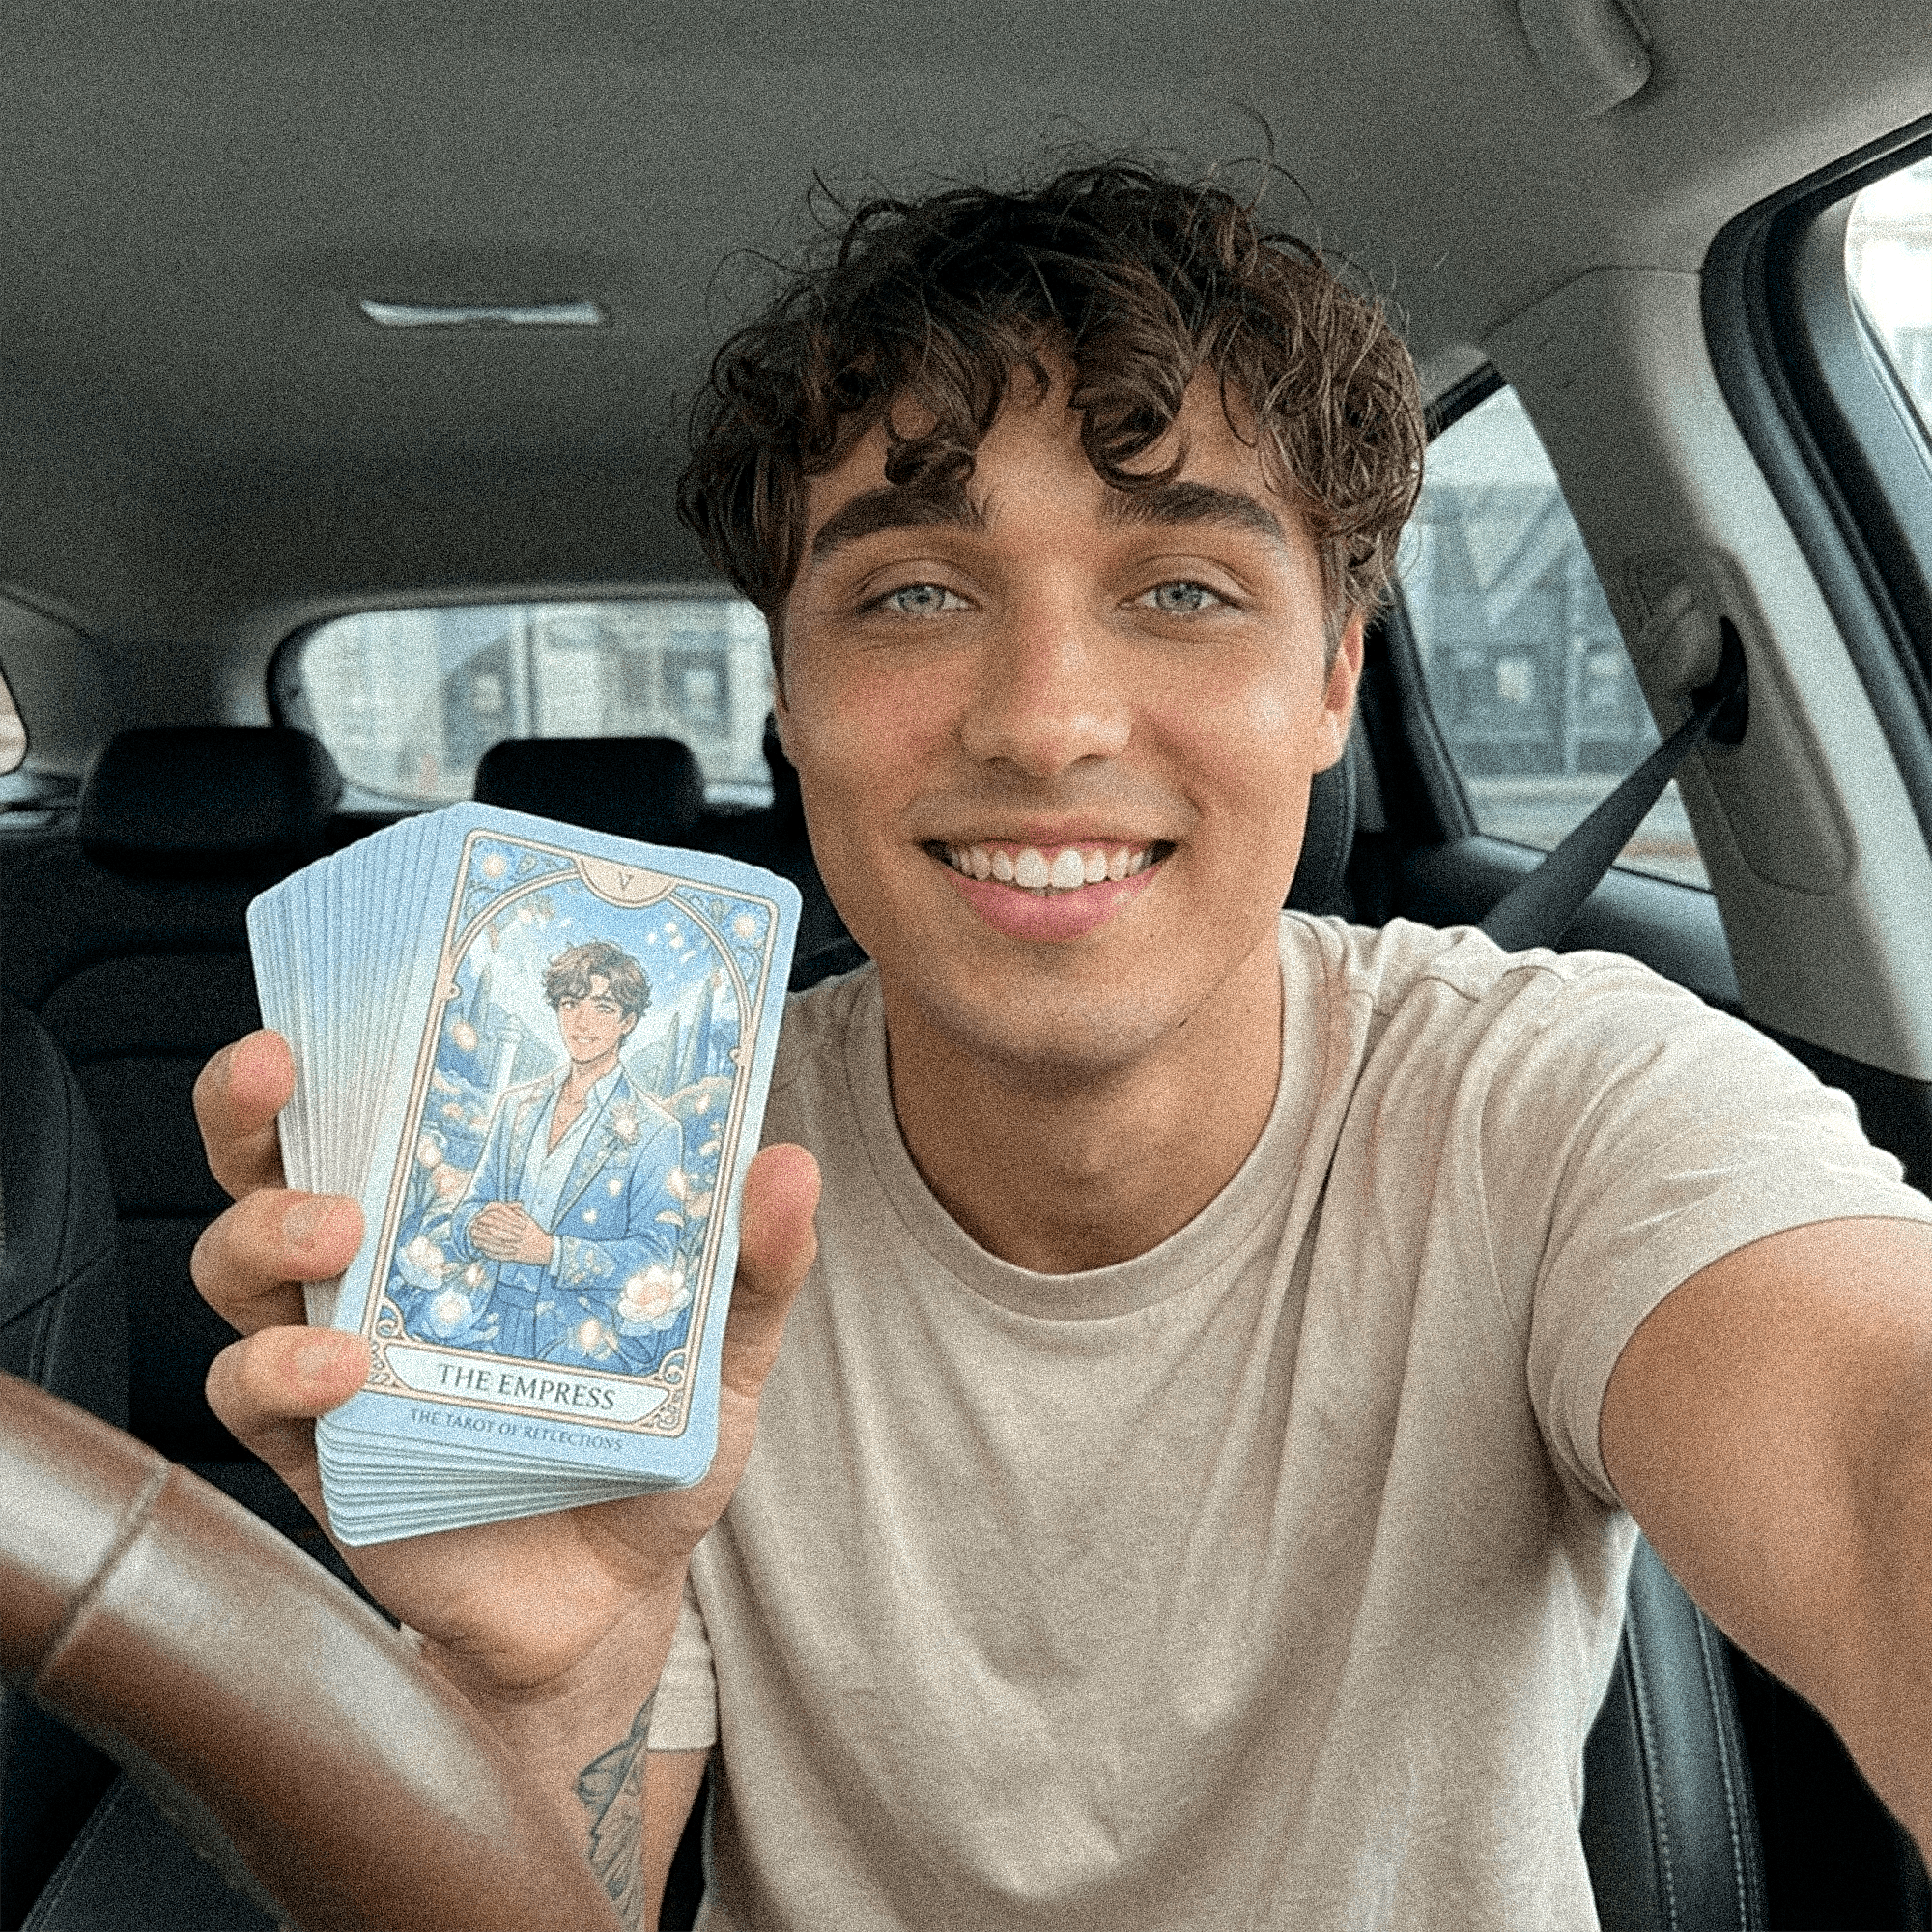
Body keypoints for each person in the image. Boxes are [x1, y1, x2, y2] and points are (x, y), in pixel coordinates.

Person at [190, 161, 1932, 1930]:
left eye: (1182, 588)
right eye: (915, 598)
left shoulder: (1560, 1100)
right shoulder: (647, 1181)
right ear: (786, 699)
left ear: (1335, 672)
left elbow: (1887, 1467)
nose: (1048, 723)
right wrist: (540, 1680)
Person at [404, 939, 687, 1366]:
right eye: (571, 1003)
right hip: (481, 1315)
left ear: (628, 1021)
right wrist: (475, 1229)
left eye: (603, 1008)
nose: (582, 1021)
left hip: (577, 1336)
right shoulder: (517, 1105)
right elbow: (469, 1208)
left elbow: (656, 1256)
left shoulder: (657, 1130)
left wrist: (550, 1252)